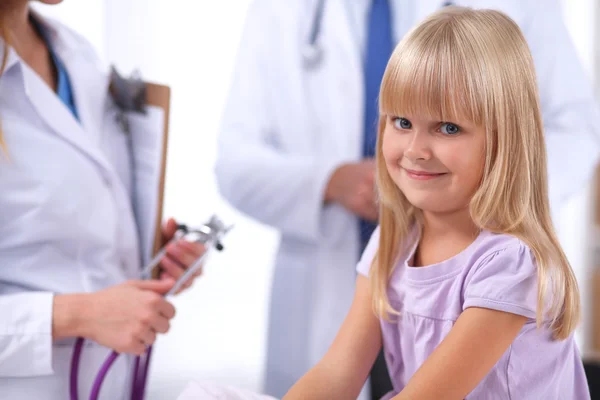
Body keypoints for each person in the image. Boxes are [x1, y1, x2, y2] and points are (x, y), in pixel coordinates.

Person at [215, 0, 600, 398]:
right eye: (401, 121)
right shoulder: (393, 243)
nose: (415, 149)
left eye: (448, 127)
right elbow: (336, 374)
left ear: (506, 142)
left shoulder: (510, 265)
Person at [0, 1, 205, 399]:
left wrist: (152, 261)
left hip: (111, 379)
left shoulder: (74, 53)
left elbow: (80, 230)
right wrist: (76, 315)